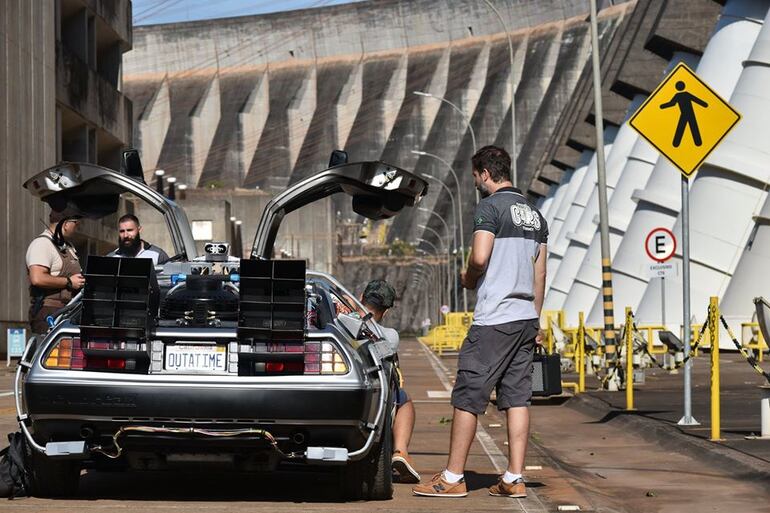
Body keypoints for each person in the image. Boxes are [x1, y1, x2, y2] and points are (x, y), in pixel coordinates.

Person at [413, 146, 548, 499]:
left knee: (469, 395)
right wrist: (536, 319)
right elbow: (540, 273)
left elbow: (480, 256)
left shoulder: (489, 208)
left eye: (475, 177)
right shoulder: (535, 215)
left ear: (485, 173)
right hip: (524, 319)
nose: (476, 182)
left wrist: (469, 277)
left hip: (494, 320)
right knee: (517, 397)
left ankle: (453, 477)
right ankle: (514, 477)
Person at [360, 279, 421, 484]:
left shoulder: (338, 323)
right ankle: (400, 451)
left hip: (336, 388)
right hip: (371, 400)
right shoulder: (390, 336)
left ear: (360, 298)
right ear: (385, 312)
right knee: (403, 398)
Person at [26, 211, 86, 335]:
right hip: (49, 313)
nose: (77, 227)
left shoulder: (68, 246)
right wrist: (69, 282)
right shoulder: (42, 244)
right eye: (76, 223)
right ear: (66, 223)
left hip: (67, 311)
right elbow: (37, 278)